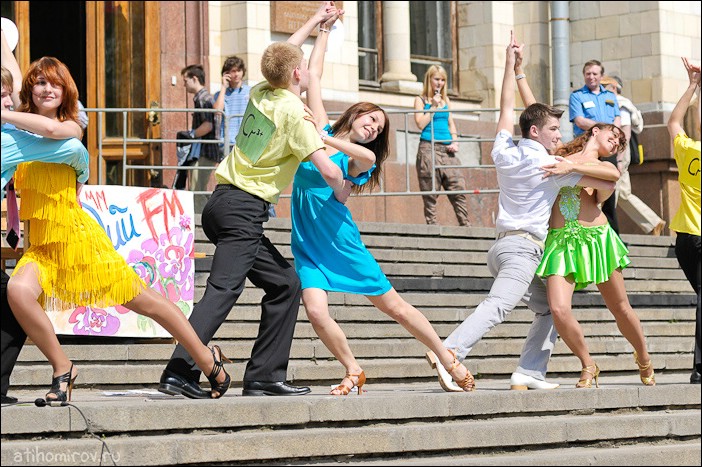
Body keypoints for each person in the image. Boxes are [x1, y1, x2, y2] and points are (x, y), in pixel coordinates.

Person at [1, 55, 231, 402]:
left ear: (66, 91)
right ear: (30, 89)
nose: (47, 89)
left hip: (78, 241)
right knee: (18, 290)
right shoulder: (17, 138)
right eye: (40, 82)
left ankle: (206, 358)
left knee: (148, 303)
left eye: (55, 83)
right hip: (44, 247)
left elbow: (51, 132)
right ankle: (63, 368)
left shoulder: (70, 129)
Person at [160, 1, 343, 398]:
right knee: (223, 290)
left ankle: (264, 376)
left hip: (223, 204)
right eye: (302, 66)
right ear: (297, 74)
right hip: (242, 209)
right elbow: (329, 172)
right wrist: (351, 177)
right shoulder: (295, 115)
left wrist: (316, 20)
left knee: (285, 284)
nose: (306, 68)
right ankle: (179, 370)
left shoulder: (262, 91)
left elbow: (283, 55)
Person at [292, 11, 475, 395]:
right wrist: (324, 30)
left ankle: (447, 357)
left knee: (394, 307)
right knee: (315, 311)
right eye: (371, 118)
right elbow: (315, 74)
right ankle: (353, 369)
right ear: (356, 114)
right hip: (307, 242)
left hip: (340, 241)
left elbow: (367, 158)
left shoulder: (357, 157)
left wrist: (320, 137)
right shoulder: (322, 126)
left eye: (378, 128)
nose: (373, 126)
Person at [436, 33, 621, 391]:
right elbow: (610, 177)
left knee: (549, 308)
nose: (559, 135)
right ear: (536, 131)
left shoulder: (503, 151)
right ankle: (450, 352)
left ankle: (530, 371)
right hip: (523, 250)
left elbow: (507, 108)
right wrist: (574, 167)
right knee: (498, 305)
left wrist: (512, 66)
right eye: (553, 129)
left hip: (503, 248)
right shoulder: (553, 167)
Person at [535, 122, 656, 388]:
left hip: (598, 239)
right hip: (562, 241)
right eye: (613, 135)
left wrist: (572, 168)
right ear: (595, 131)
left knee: (620, 307)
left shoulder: (601, 166)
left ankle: (644, 357)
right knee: (558, 308)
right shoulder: (559, 154)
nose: (615, 142)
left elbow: (613, 175)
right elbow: (540, 119)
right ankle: (588, 364)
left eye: (619, 143)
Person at [666, 57, 701, 384]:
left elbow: (674, 121)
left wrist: (693, 85)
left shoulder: (689, 150)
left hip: (685, 241)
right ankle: (700, 369)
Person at [600, 75, 666, 236]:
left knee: (611, 191)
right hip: (617, 152)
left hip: (619, 152)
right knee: (623, 193)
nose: (600, 90)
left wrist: (619, 158)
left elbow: (625, 133)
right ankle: (653, 222)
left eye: (604, 87)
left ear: (613, 88)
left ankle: (604, 227)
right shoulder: (616, 103)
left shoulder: (620, 104)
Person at [570, 59, 622, 235]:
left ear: (601, 76)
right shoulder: (577, 96)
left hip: (607, 148)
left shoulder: (610, 96)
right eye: (588, 74)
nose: (591, 77)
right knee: (586, 189)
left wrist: (611, 134)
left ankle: (612, 232)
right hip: (587, 148)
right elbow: (580, 121)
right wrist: (605, 130)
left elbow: (617, 119)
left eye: (595, 74)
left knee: (609, 190)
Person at [413, 66, 470, 227]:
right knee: (430, 189)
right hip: (428, 147)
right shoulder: (420, 100)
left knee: (458, 187)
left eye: (443, 80)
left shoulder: (446, 100)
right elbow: (420, 123)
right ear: (429, 79)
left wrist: (455, 141)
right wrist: (432, 107)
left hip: (447, 149)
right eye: (437, 79)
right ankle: (432, 225)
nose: (440, 83)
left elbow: (451, 123)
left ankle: (465, 225)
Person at [181, 64, 219, 211]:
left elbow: (208, 125)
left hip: (205, 151)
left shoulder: (203, 99)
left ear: (195, 79)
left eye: (185, 81)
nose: (184, 85)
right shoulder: (204, 97)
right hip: (204, 151)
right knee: (198, 189)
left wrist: (191, 134)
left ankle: (203, 219)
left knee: (196, 191)